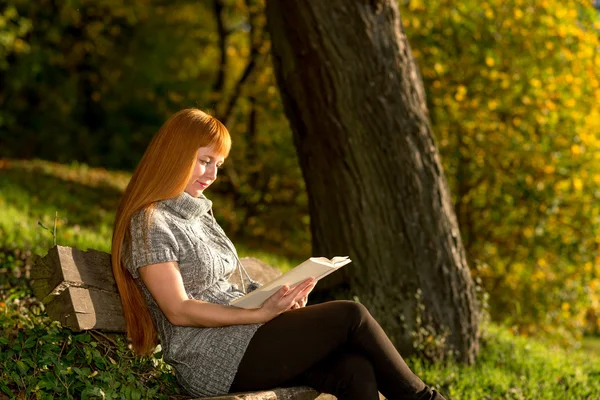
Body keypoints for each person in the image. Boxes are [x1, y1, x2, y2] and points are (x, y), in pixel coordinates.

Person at [111, 108, 447, 400]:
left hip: (245, 337)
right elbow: (179, 310)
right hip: (209, 356)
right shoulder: (150, 221)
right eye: (204, 161)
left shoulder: (198, 214)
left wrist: (281, 298)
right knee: (352, 316)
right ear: (175, 155)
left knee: (355, 370)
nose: (212, 175)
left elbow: (230, 290)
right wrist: (259, 315)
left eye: (218, 164)